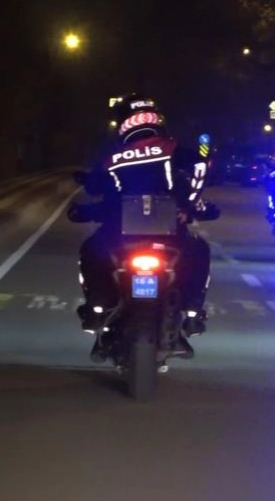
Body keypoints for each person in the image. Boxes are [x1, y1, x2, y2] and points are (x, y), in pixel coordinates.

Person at [68, 93, 220, 359]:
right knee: (199, 251)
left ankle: (95, 311)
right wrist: (188, 205)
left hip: (119, 233)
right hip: (169, 232)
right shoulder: (171, 148)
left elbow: (95, 189)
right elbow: (200, 165)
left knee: (91, 250)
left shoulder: (111, 156)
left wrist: (86, 207)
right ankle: (193, 314)